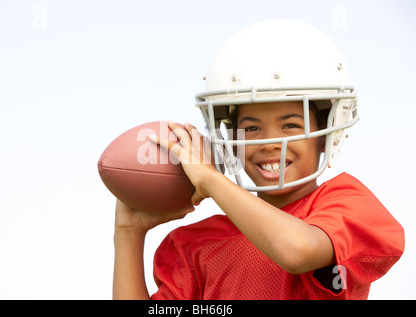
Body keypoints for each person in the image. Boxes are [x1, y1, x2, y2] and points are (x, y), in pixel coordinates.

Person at [112, 20, 404, 300]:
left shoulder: (348, 204)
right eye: (252, 128)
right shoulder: (195, 244)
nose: (271, 143)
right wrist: (127, 234)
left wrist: (212, 179)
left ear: (324, 133)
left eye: (291, 125)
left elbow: (296, 251)